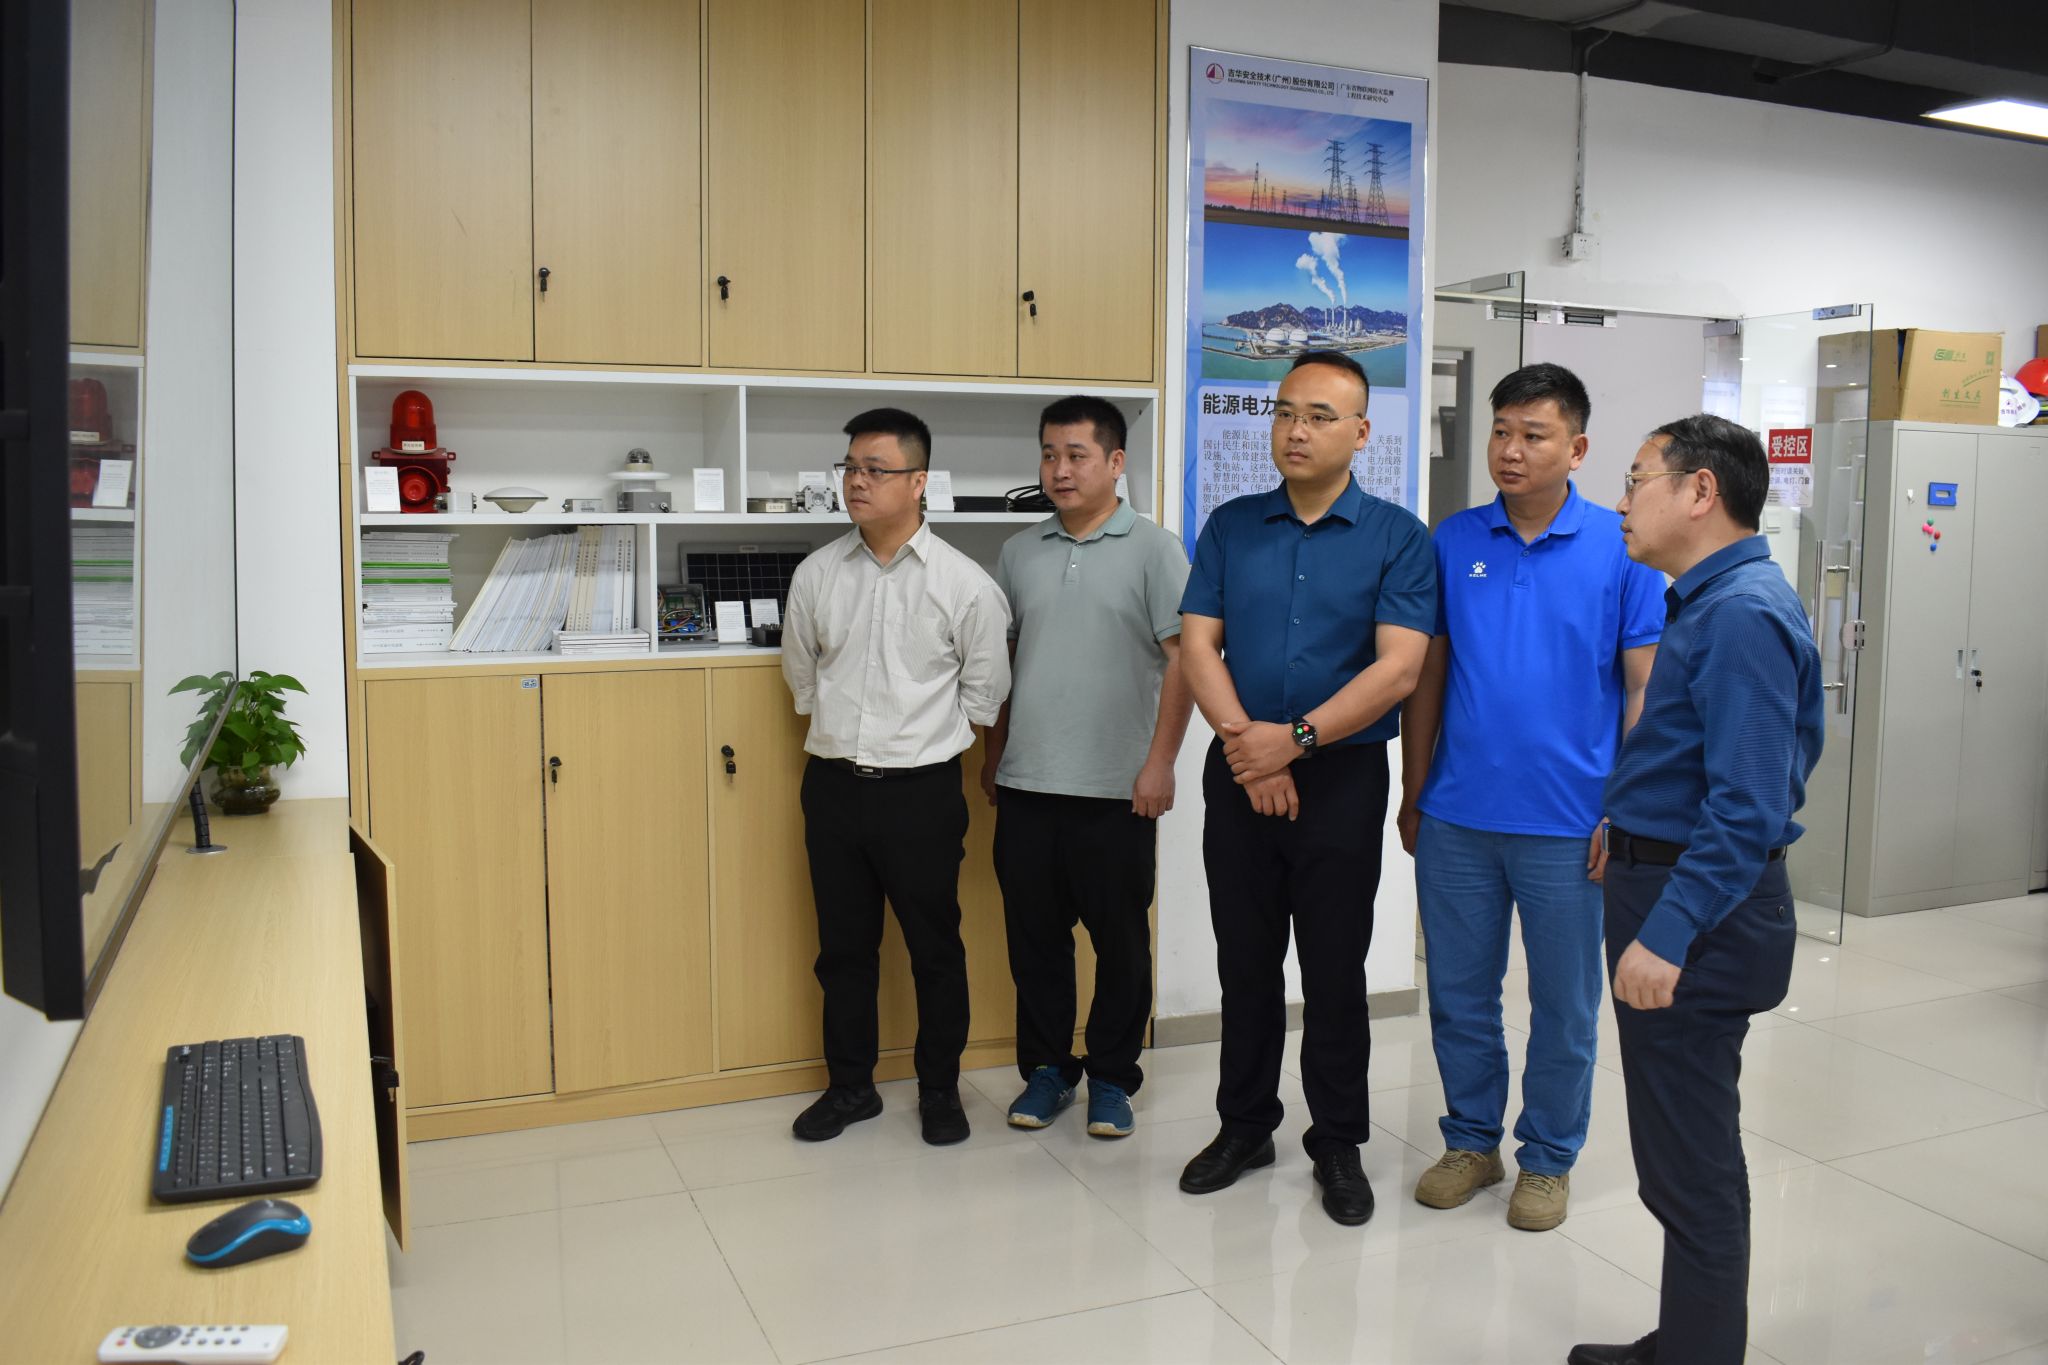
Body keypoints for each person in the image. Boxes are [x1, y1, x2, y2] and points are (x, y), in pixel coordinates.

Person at [1567, 415, 1822, 1365]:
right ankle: (1689, 1339)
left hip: (1700, 914)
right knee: (1686, 1153)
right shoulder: (1710, 598)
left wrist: (1668, 932)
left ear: (1699, 491)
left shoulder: (1741, 613)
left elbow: (1747, 805)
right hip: (1672, 881)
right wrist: (1627, 818)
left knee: (1693, 1166)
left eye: (1637, 479)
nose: (1621, 502)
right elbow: (1697, 758)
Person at [1398, 363, 1663, 1232]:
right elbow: (1428, 676)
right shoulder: (1453, 540)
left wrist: (1624, 809)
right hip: (1458, 815)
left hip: (1571, 823)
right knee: (1459, 993)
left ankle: (1547, 1157)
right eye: (1501, 432)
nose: (1510, 450)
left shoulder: (1622, 546)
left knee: (1565, 1005)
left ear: (1577, 448)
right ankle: (1472, 1141)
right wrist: (1414, 787)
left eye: (1533, 435)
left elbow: (1643, 688)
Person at [1176, 350, 1436, 1226]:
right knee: (1245, 960)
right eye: (1285, 412)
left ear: (1361, 432)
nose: (1297, 430)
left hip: (1342, 777)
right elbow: (1197, 643)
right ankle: (1245, 1126)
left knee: (1333, 967)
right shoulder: (1231, 526)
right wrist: (1250, 749)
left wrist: (1291, 741)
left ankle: (1338, 1141)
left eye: (1321, 416)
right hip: (1240, 769)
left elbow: (1399, 669)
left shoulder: (1398, 536)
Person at [780, 407, 1012, 1148]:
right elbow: (803, 680)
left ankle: (940, 1090)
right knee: (843, 951)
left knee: (934, 948)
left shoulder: (964, 584)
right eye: (850, 467)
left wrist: (922, 740)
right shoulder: (817, 574)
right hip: (834, 786)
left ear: (919, 482)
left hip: (922, 792)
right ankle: (850, 1088)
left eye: (875, 469)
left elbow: (984, 693)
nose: (856, 481)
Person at [983, 395, 1194, 1139]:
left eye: (1076, 455)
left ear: (1115, 461)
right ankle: (1047, 1070)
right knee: (1035, 943)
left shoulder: (1156, 549)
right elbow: (1005, 661)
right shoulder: (1019, 551)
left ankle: (1111, 1076)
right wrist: (994, 754)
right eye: (1049, 454)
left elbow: (1185, 662)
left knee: (1120, 943)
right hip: (1027, 781)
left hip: (1117, 786)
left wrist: (1160, 763)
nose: (1060, 469)